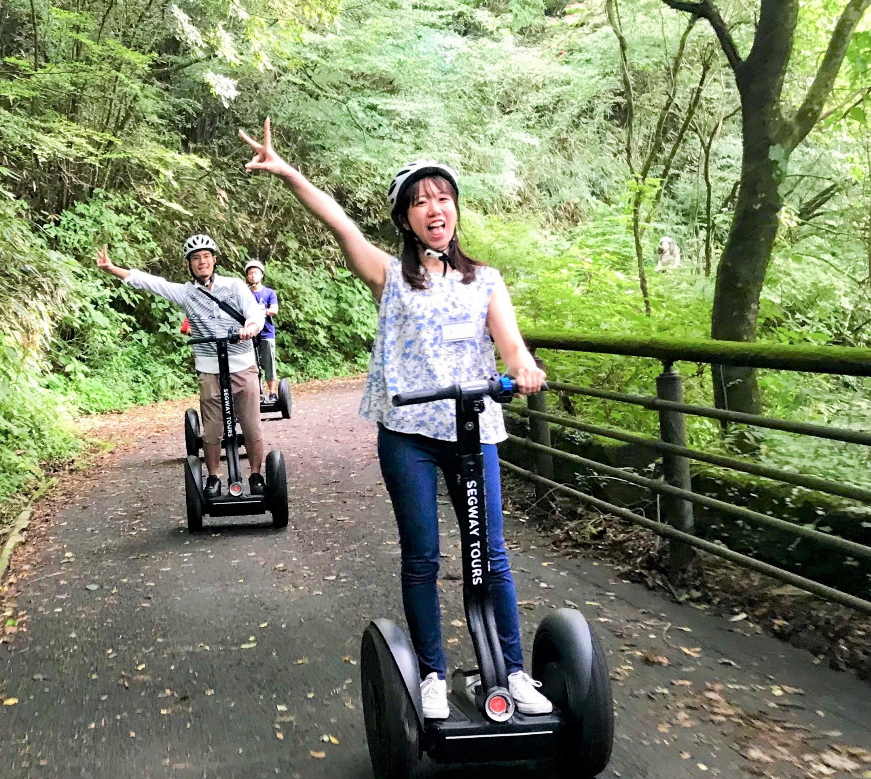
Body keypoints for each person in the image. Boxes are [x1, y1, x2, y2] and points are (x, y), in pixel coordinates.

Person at [240, 119, 552, 719]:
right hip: (408, 433)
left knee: (491, 552)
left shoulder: (484, 280)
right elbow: (341, 224)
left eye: (442, 198)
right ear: (406, 218)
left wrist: (526, 369)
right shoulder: (390, 277)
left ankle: (513, 672)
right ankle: (433, 673)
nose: (434, 208)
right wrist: (288, 172)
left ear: (454, 208)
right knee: (423, 556)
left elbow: (511, 348)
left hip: (472, 430)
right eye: (420, 202)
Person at [95, 237, 268, 498]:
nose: (202, 262)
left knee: (252, 425)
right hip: (210, 369)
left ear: (214, 260)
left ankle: (256, 474)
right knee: (211, 430)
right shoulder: (187, 293)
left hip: (242, 365)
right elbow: (152, 283)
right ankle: (212, 478)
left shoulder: (234, 286)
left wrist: (251, 328)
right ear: (189, 264)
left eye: (206, 256)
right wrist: (112, 269)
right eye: (196, 258)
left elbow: (255, 313)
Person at [244, 260, 280, 397]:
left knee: (269, 362)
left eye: (255, 273)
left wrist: (261, 311)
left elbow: (274, 310)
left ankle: (272, 392)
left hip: (266, 333)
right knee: (252, 365)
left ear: (261, 275)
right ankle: (258, 392)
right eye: (250, 273)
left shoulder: (269, 293)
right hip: (250, 335)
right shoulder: (245, 294)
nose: (252, 276)